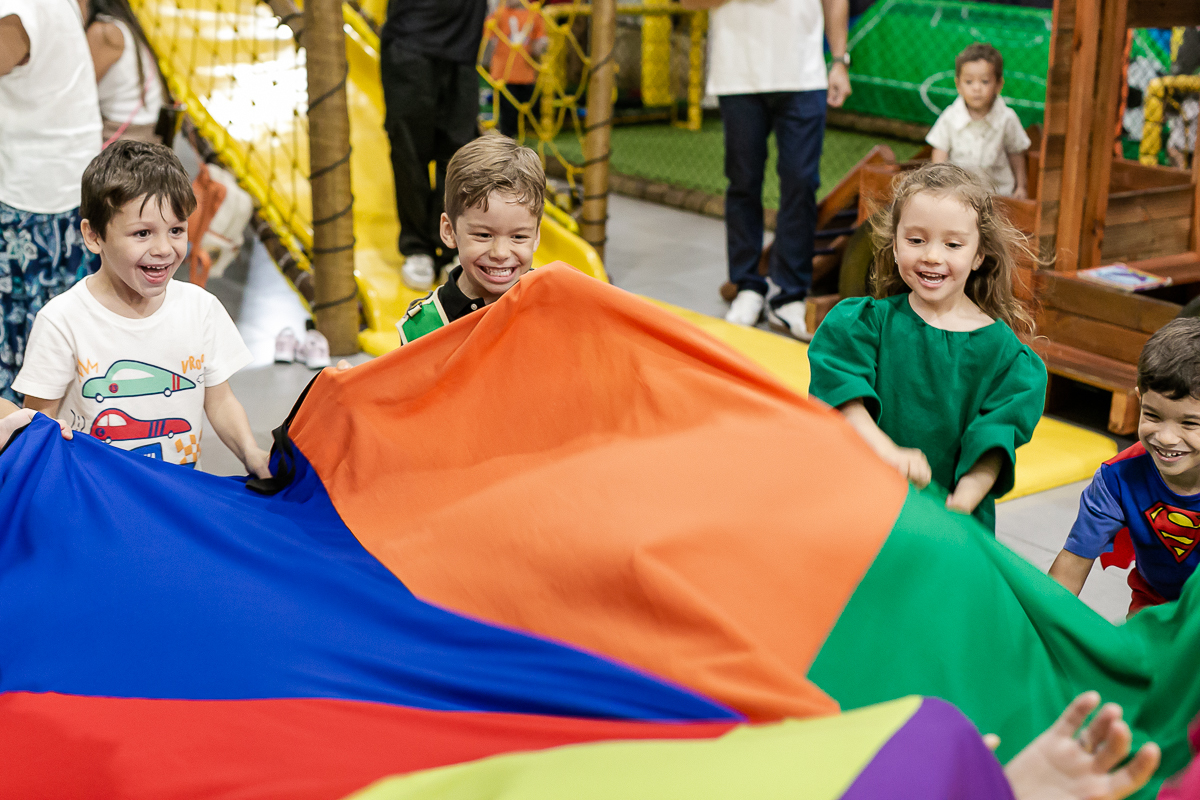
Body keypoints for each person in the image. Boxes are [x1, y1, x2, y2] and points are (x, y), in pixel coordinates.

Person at [806, 163, 1046, 531]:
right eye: (916, 240)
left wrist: (960, 505)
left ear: (979, 254)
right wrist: (888, 453)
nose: (932, 255)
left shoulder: (1007, 358)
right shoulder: (864, 324)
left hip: (948, 526)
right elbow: (843, 398)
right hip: (863, 507)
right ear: (895, 242)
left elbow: (994, 442)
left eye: (952, 244)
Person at [11, 141, 270, 477]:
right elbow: (40, 428)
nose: (164, 248)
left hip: (179, 493)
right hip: (99, 498)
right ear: (93, 236)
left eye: (176, 230)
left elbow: (218, 400)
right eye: (143, 233)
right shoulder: (62, 321)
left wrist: (251, 454)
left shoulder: (200, 309)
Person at [681, 0, 852, 341]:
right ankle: (747, 285)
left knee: (801, 183)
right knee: (743, 182)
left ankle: (790, 294)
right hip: (738, 75)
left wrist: (839, 61)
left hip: (804, 75)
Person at [1048, 318, 1200, 618]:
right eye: (1153, 415)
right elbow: (1069, 571)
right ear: (1139, 399)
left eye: (1190, 423)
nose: (1166, 437)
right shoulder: (1117, 478)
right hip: (1155, 606)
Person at [0, 0, 102, 403]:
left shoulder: (18, 11)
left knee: (28, 335)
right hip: (61, 187)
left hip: (33, 195)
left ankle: (22, 445)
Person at [379, 0, 487, 293]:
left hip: (462, 48)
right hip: (411, 42)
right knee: (409, 150)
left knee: (458, 153)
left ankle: (448, 244)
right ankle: (417, 247)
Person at [397, 135, 543, 344]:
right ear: (449, 231)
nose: (501, 253)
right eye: (484, 235)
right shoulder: (421, 328)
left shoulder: (552, 302)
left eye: (518, 237)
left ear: (536, 236)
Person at [927, 43, 1031, 199]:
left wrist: (1021, 186)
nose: (976, 88)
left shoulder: (1007, 117)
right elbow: (939, 152)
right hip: (958, 195)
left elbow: (1016, 153)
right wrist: (938, 184)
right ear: (958, 85)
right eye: (969, 82)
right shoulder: (950, 116)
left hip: (998, 196)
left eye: (985, 81)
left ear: (998, 85)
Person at [85, 0, 165, 146]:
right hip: (145, 135)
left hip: (126, 139)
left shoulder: (105, 32)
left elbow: (73, 93)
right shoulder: (124, 25)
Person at [482, 0, 548, 139]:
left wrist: (541, 45)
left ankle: (521, 134)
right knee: (508, 113)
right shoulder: (499, 14)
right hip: (503, 75)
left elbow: (539, 39)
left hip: (526, 73)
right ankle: (508, 138)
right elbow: (487, 36)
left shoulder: (534, 15)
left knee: (531, 107)